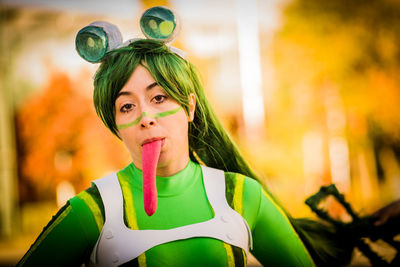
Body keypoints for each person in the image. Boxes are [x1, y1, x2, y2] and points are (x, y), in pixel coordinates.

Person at [17, 7, 359, 267]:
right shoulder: (92, 210)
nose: (146, 119)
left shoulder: (240, 197)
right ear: (115, 125)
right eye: (126, 107)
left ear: (189, 107)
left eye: (159, 98)